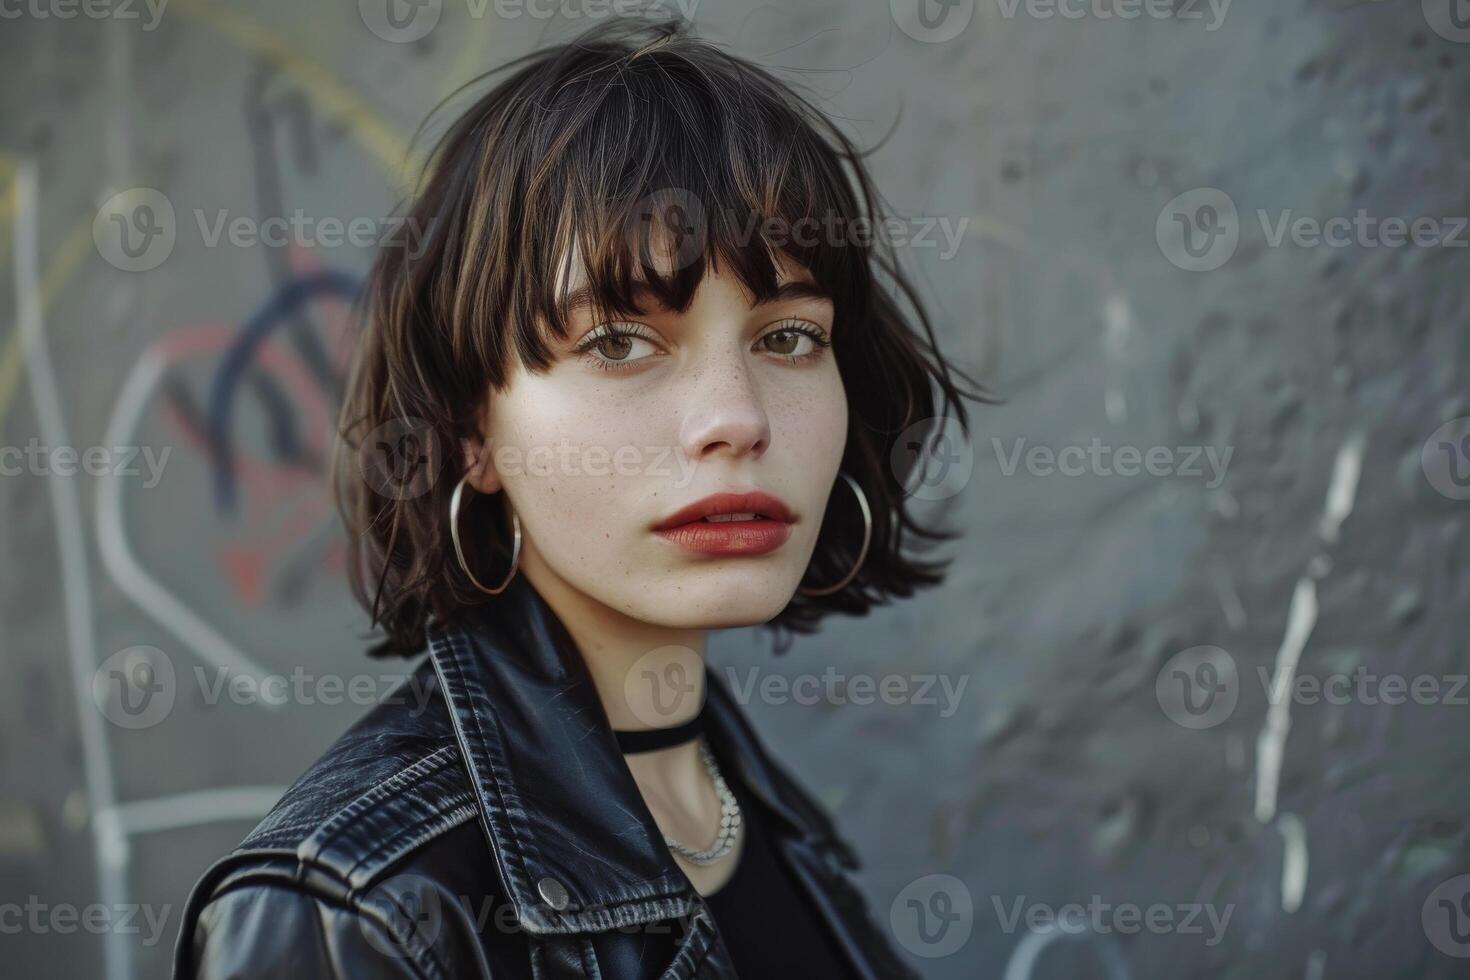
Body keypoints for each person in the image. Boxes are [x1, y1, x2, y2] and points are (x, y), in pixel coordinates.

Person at [175, 16, 989, 979]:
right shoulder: (355, 909)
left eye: (788, 339)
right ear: (471, 433)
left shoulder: (764, 814)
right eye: (617, 343)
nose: (737, 420)